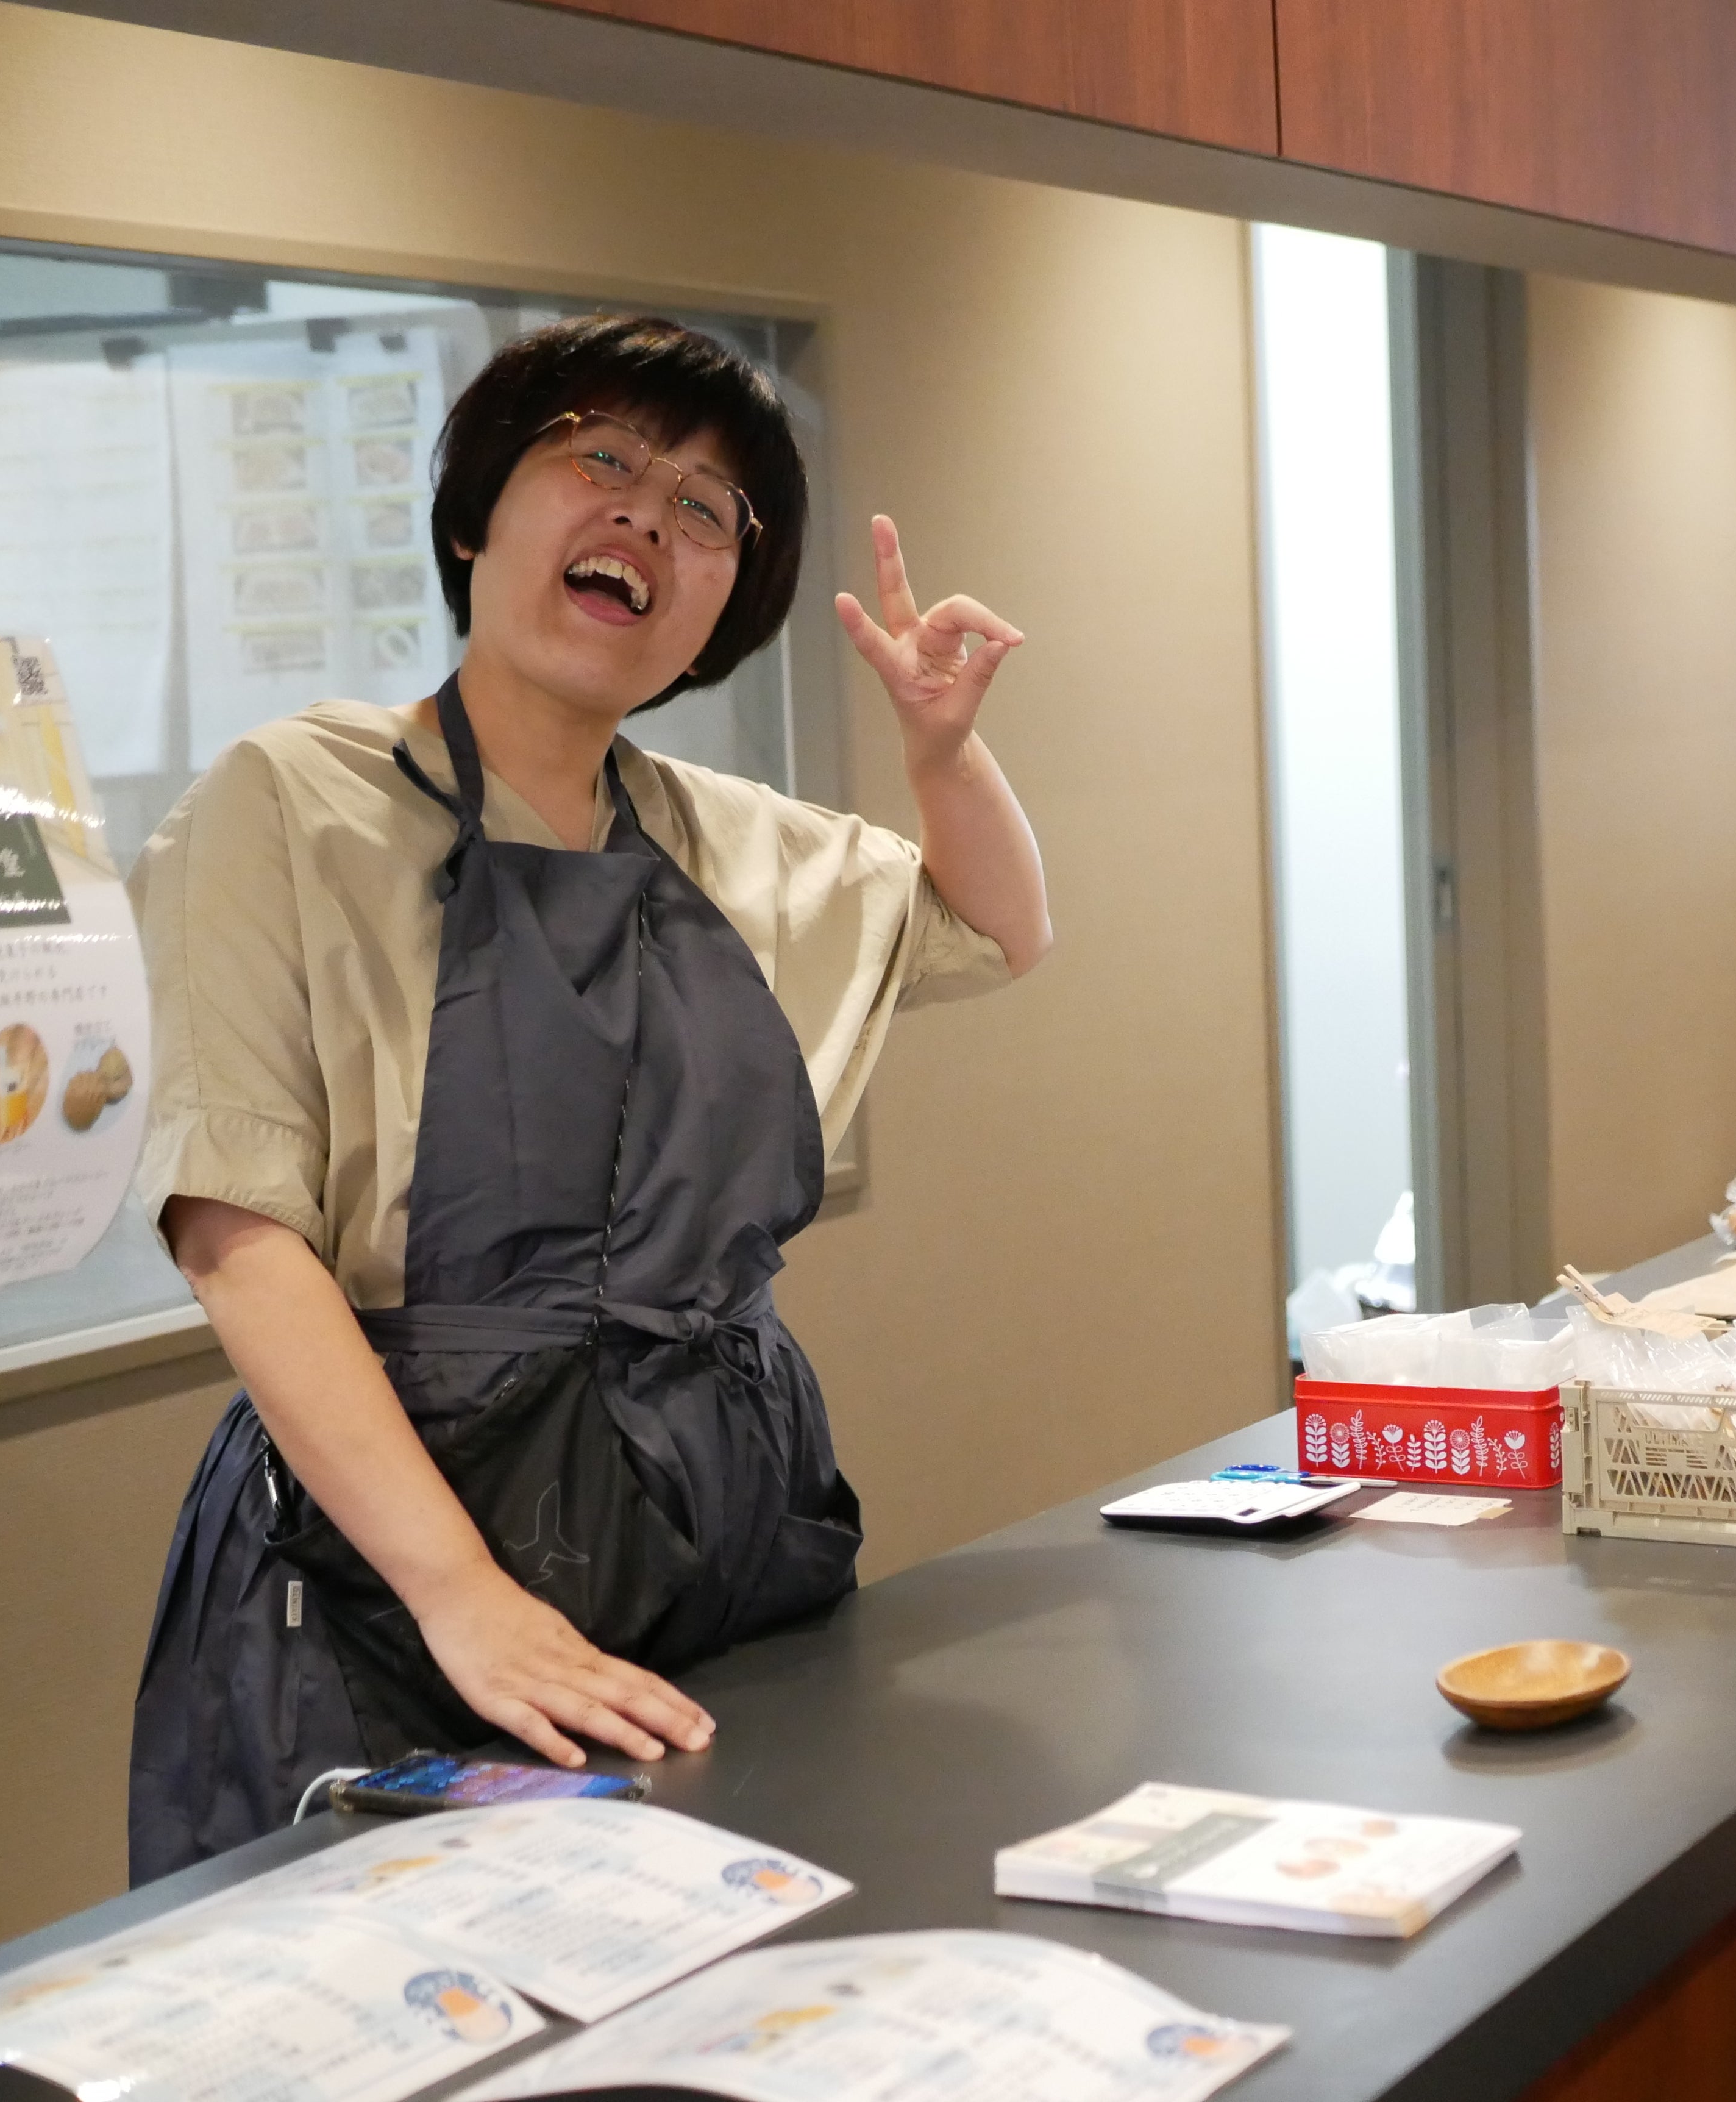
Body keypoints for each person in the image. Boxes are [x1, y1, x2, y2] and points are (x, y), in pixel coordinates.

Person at [127, 316, 1051, 1881]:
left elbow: (998, 924)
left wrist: (942, 751)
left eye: (704, 507)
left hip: (720, 1517)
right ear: (477, 515)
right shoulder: (293, 799)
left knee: (745, 1943)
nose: (647, 513)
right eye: (600, 456)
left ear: (719, 611)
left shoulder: (721, 836)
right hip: (390, 1569)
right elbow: (238, 1230)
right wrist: (462, 1595)